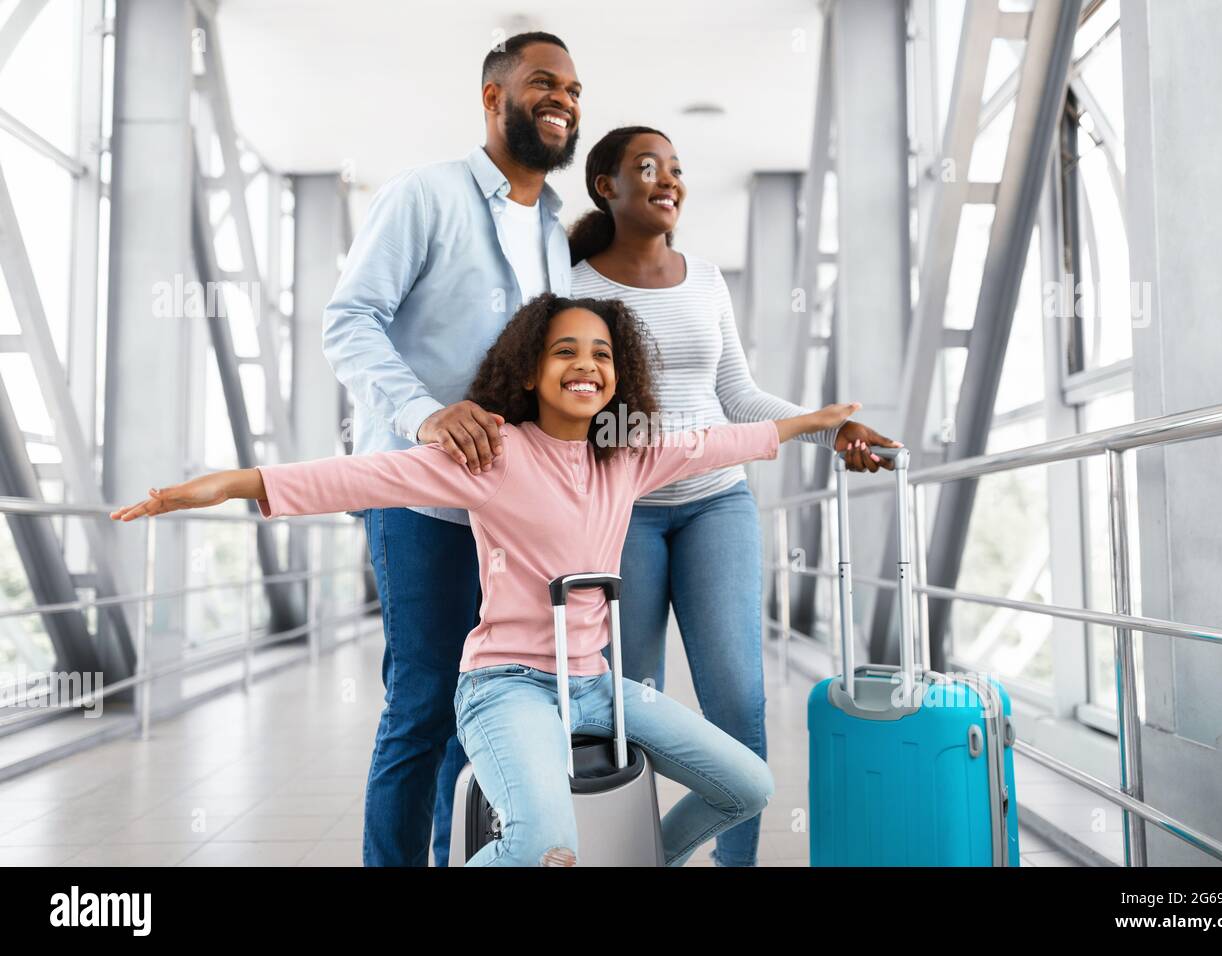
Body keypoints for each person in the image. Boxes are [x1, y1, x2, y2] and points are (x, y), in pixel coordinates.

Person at [109, 294, 877, 866]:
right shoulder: (492, 454)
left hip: (598, 685)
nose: (587, 366)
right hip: (505, 684)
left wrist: (817, 422)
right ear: (531, 369)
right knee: (544, 843)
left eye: (603, 354)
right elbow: (349, 477)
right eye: (566, 351)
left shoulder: (629, 454)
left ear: (621, 375)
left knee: (747, 787)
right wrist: (210, 488)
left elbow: (723, 439)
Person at [568, 126, 899, 865]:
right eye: (648, 168)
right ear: (605, 187)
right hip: (624, 516)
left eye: (678, 170)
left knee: (738, 706)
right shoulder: (576, 287)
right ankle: (634, 854)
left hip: (717, 505)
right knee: (630, 705)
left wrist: (832, 429)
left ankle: (733, 861)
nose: (669, 181)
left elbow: (737, 396)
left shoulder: (707, 279)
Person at [319, 31, 582, 866]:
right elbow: (348, 319)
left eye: (575, 90)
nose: (564, 99)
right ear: (492, 95)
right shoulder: (423, 196)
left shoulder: (555, 233)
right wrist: (425, 413)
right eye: (544, 83)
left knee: (488, 706)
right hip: (422, 500)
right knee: (425, 702)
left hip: (515, 515)